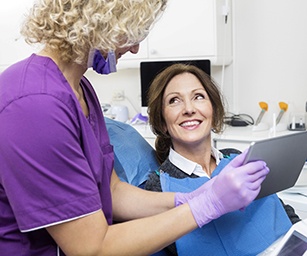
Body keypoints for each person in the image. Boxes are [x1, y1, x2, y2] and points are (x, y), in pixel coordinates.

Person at [0, 1, 270, 255]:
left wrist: (193, 195)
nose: (135, 48)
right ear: (101, 21)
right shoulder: (34, 105)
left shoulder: (80, 90)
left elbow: (112, 192)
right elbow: (91, 248)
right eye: (132, 31)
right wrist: (206, 206)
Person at [145, 63, 299, 255]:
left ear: (214, 110)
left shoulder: (238, 157)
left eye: (198, 96)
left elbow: (282, 212)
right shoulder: (156, 188)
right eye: (174, 100)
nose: (189, 109)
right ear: (162, 121)